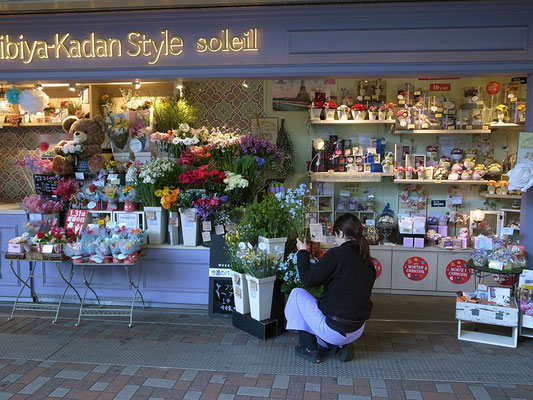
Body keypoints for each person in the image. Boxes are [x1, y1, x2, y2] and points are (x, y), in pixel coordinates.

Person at [284, 213, 376, 363]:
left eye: (335, 236)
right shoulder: (366, 259)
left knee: (296, 295)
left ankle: (310, 349)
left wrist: (302, 252)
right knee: (316, 310)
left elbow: (308, 279)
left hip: (335, 328)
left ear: (340, 233)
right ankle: (338, 347)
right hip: (358, 329)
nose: (335, 240)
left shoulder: (337, 254)